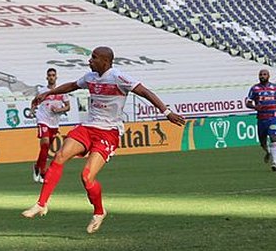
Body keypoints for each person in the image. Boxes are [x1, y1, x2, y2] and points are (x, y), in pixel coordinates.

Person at [22, 46, 185, 233]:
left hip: (108, 132)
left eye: (94, 58)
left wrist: (167, 112)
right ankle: (41, 203)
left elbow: (145, 92)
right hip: (88, 127)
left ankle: (99, 212)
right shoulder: (90, 77)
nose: (89, 61)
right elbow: (73, 85)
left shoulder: (118, 77)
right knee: (59, 156)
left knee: (86, 176)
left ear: (105, 62)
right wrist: (47, 94)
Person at [245, 69, 276, 171]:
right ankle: (267, 152)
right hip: (261, 119)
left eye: (264, 74)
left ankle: (274, 163)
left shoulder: (275, 87)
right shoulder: (254, 89)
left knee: (273, 138)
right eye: (261, 74)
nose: (262, 76)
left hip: (273, 117)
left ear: (268, 76)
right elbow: (247, 103)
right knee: (262, 142)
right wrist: (254, 107)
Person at [31, 68, 71, 183]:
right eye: (49, 75)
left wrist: (59, 109)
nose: (51, 77)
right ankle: (43, 172)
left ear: (56, 77)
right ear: (46, 77)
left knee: (46, 148)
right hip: (43, 120)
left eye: (53, 75)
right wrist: (33, 110)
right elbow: (34, 102)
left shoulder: (62, 92)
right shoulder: (42, 91)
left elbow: (68, 107)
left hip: (54, 123)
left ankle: (37, 166)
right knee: (45, 143)